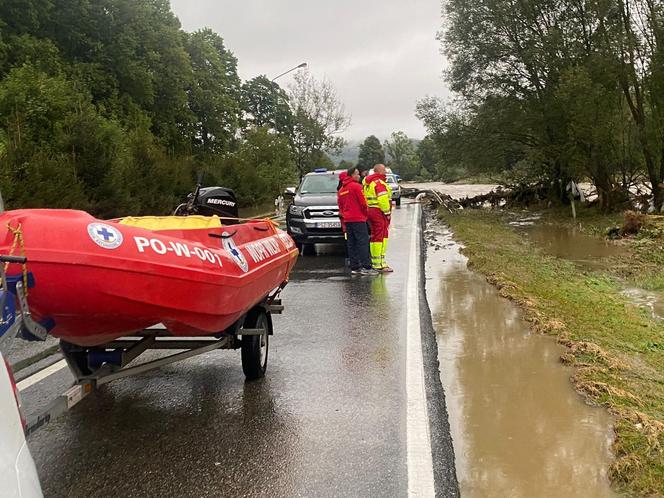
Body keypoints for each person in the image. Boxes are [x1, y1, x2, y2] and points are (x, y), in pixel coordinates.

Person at [337, 167, 378, 276]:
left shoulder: (341, 190)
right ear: (351, 175)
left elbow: (340, 206)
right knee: (363, 242)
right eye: (357, 174)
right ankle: (366, 267)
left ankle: (355, 267)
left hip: (347, 220)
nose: (359, 176)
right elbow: (363, 204)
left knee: (352, 243)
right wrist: (365, 215)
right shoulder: (357, 187)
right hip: (358, 219)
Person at [363, 164, 393, 272]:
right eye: (384, 170)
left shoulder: (368, 182)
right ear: (379, 171)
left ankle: (376, 262)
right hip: (378, 211)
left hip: (371, 210)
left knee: (375, 235)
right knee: (381, 236)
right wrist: (387, 212)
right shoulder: (379, 183)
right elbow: (383, 199)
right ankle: (379, 264)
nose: (385, 171)